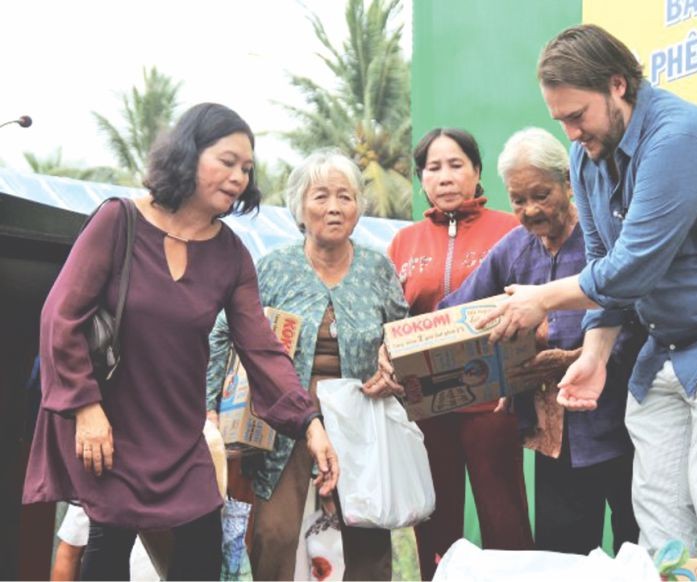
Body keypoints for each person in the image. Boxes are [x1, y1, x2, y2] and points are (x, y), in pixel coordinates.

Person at [481, 25, 697, 557]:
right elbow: (606, 268)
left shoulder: (679, 140)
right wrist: (596, 355)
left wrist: (542, 297)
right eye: (561, 121)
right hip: (664, 352)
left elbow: (634, 268)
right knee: (660, 530)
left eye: (577, 116)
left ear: (617, 85)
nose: (572, 134)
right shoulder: (586, 159)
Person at [22, 103, 338, 581]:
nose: (238, 176)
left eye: (247, 168)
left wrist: (309, 423)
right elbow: (59, 317)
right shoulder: (119, 222)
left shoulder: (232, 255)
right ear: (189, 155)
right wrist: (86, 408)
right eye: (227, 161)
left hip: (181, 438)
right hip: (111, 431)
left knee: (201, 561)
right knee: (105, 558)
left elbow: (261, 349)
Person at [438, 127, 645, 554]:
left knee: (637, 547)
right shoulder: (513, 249)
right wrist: (402, 344)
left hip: (624, 425)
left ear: (568, 183)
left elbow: (636, 315)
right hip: (556, 440)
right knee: (561, 558)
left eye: (541, 195)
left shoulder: (603, 237)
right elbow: (455, 312)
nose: (530, 210)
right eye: (518, 200)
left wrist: (567, 354)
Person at [206, 149, 408, 581]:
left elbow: (401, 331)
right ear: (299, 206)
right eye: (321, 196)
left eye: (345, 196)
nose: (334, 207)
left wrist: (392, 365)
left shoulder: (377, 267)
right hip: (288, 415)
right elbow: (224, 331)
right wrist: (209, 408)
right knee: (275, 534)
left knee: (369, 537)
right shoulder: (275, 267)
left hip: (361, 416)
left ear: (358, 207)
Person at [382, 127, 533, 579]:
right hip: (426, 403)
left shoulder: (511, 229)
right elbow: (390, 318)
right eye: (433, 168)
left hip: (495, 396)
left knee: (502, 511)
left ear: (477, 172)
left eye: (456, 165)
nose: (445, 177)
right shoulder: (403, 243)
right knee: (435, 515)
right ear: (421, 179)